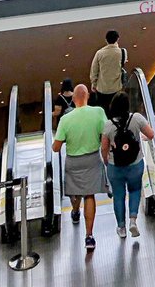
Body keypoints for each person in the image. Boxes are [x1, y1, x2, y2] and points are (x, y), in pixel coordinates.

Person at [52, 84, 108, 250]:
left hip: (73, 161)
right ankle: (89, 236)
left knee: (75, 191)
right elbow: (105, 134)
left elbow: (56, 148)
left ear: (74, 100)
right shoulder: (98, 112)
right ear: (87, 96)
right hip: (92, 158)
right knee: (89, 195)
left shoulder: (65, 119)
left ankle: (75, 211)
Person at [100, 91, 154, 240]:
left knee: (118, 195)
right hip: (135, 164)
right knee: (135, 190)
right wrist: (141, 136)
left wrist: (106, 160)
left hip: (115, 166)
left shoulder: (108, 125)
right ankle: (133, 221)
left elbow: (104, 148)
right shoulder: (136, 118)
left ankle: (121, 227)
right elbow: (151, 134)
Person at [90, 30, 126, 114]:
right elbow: (122, 64)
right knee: (116, 111)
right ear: (117, 39)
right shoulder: (122, 52)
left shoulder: (99, 53)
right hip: (116, 88)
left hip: (102, 89)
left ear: (106, 40)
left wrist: (94, 84)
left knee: (103, 112)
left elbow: (94, 70)